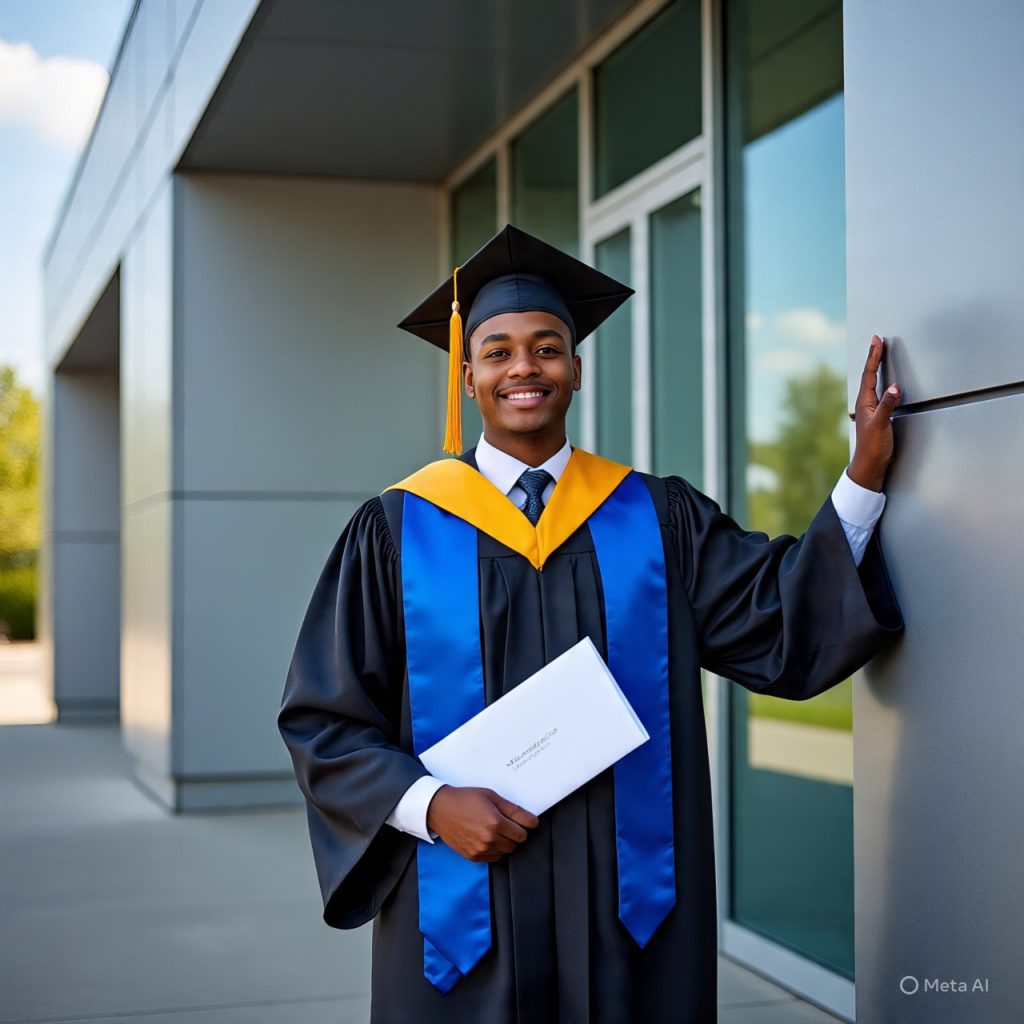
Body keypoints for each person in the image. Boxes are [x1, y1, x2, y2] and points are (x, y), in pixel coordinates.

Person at [277, 225, 904, 1023]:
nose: (523, 368)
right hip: (463, 912)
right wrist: (430, 805)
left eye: (545, 347)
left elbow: (776, 615)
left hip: (630, 912)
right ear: (466, 376)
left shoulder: (656, 517)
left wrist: (862, 478)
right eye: (497, 352)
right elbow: (323, 718)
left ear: (575, 367)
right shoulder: (397, 530)